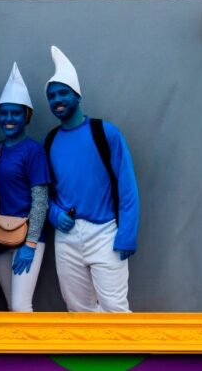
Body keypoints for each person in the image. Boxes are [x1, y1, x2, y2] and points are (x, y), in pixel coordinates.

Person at [43, 46, 140, 313]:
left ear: (77, 95)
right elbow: (45, 193)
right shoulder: (50, 140)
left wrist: (127, 234)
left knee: (114, 307)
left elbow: (127, 186)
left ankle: (126, 354)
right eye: (51, 96)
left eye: (63, 93)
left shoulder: (104, 132)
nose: (57, 100)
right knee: (78, 308)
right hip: (67, 236)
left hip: (106, 232)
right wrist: (54, 214)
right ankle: (92, 356)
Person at [0, 63, 50, 312]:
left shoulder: (33, 151)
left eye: (15, 113)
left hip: (27, 238)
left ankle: (32, 352)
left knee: (22, 306)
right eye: (4, 113)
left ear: (27, 117)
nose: (9, 119)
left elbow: (41, 200)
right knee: (11, 307)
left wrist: (30, 244)